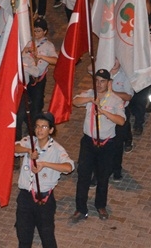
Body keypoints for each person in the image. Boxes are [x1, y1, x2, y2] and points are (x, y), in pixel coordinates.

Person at [71, 69, 126, 222]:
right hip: (89, 142)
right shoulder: (90, 94)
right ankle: (80, 208)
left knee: (103, 176)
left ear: (109, 83)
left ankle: (100, 205)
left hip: (106, 144)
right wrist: (90, 99)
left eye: (102, 81)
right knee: (83, 176)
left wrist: (103, 112)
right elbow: (75, 101)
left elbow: (121, 121)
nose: (99, 84)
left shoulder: (115, 100)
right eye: (97, 81)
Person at [14, 112, 74, 247]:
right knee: (23, 236)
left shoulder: (57, 149)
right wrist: (28, 151)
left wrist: (45, 164)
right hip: (25, 196)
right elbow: (13, 147)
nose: (39, 130)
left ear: (51, 130)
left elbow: (69, 167)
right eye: (37, 126)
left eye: (44, 127)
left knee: (47, 238)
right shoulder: (29, 141)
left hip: (44, 200)